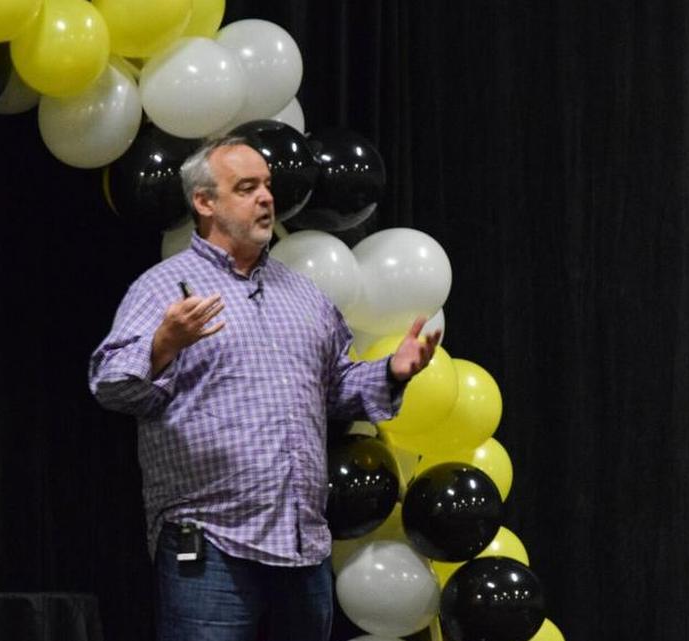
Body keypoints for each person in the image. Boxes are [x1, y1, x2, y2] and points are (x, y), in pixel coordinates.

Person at [88, 135, 440, 641]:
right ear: (205, 202)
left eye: (268, 186)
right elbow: (110, 384)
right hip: (211, 542)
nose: (267, 199)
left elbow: (336, 388)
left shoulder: (304, 295)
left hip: (301, 544)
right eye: (247, 187)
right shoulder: (164, 288)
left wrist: (391, 372)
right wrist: (163, 344)